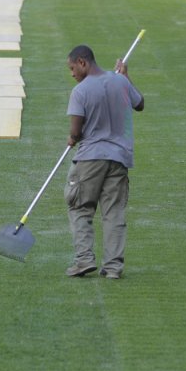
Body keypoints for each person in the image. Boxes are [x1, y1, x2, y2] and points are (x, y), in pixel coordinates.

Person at [64, 44, 144, 280]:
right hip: (119, 159)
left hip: (89, 159)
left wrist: (71, 138)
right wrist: (127, 79)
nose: (72, 74)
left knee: (79, 207)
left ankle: (84, 260)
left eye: (72, 68)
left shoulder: (80, 91)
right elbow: (140, 104)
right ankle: (113, 267)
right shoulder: (121, 82)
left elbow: (77, 131)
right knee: (114, 213)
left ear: (82, 62)